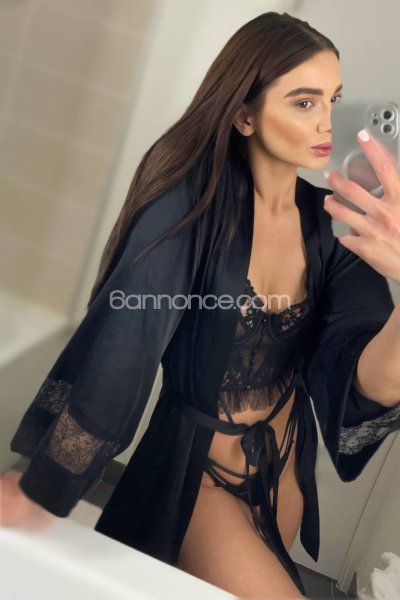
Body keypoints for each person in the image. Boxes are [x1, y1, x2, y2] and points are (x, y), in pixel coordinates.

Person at [2, 11, 400, 600]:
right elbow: (125, 348)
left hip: (286, 473)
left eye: (334, 100)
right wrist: (45, 485)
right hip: (201, 478)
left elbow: (370, 380)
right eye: (304, 102)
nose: (327, 122)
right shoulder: (188, 210)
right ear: (244, 114)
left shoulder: (331, 224)